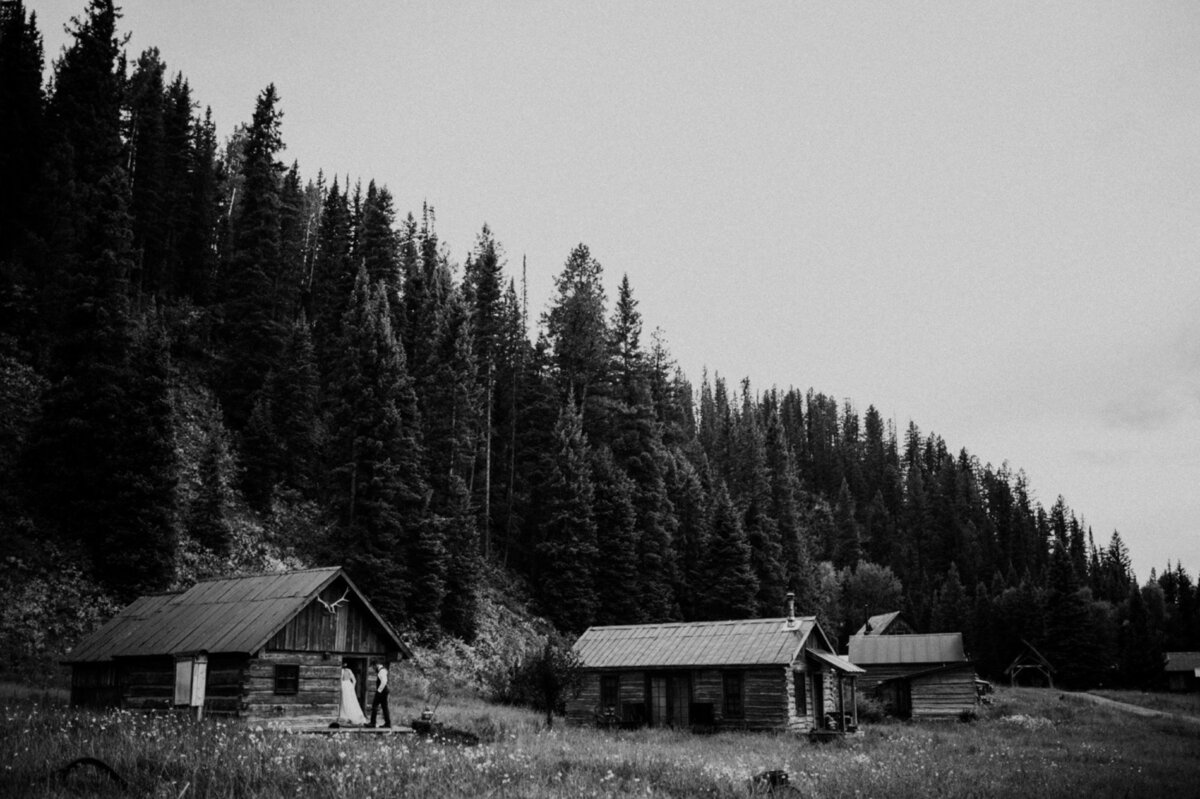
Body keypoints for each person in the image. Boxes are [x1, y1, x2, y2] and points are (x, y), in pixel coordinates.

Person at [369, 661, 391, 728]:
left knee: (374, 706)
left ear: (375, 665)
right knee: (384, 707)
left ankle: (373, 723)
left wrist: (379, 691)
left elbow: (384, 682)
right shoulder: (382, 670)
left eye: (373, 667)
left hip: (382, 691)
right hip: (384, 691)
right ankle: (387, 723)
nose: (373, 668)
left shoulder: (382, 671)